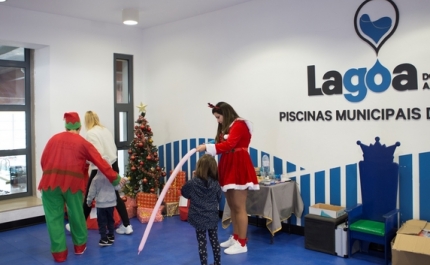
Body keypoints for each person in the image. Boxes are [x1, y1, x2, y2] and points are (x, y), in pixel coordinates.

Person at [38, 112, 126, 262]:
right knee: (77, 214)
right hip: (73, 184)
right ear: (79, 127)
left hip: (49, 183)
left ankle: (59, 254)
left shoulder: (53, 139)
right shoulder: (82, 142)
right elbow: (99, 161)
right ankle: (79, 246)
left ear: (66, 127)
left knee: (53, 219)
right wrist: (115, 177)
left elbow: (43, 161)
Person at [195, 102, 259, 255]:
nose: (218, 121)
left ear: (225, 113)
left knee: (239, 207)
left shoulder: (240, 124)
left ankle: (242, 243)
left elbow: (229, 144)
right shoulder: (227, 127)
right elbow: (222, 144)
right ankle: (236, 237)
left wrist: (207, 148)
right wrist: (210, 145)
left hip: (238, 166)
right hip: (228, 165)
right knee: (232, 206)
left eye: (218, 117)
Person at [66, 111, 133, 235]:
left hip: (100, 167)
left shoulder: (91, 133)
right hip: (113, 163)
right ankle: (127, 225)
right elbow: (112, 148)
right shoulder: (105, 130)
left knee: (88, 197)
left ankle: (76, 226)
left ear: (86, 121)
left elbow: (96, 153)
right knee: (115, 196)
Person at [181, 154, 222, 265]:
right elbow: (219, 197)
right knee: (214, 241)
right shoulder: (216, 184)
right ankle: (217, 263)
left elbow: (184, 192)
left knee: (201, 243)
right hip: (212, 216)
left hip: (198, 217)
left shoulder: (193, 183)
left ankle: (203, 263)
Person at [86, 165, 117, 247]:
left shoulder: (95, 179)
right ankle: (111, 235)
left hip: (101, 204)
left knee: (101, 221)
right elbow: (118, 187)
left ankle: (103, 238)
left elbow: (91, 192)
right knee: (110, 219)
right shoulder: (113, 177)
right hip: (111, 203)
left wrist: (89, 201)